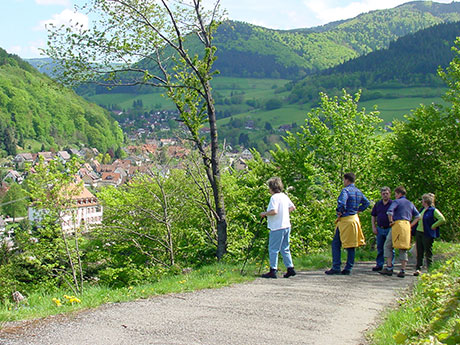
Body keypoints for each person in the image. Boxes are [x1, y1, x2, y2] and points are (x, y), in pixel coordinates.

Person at [325, 172, 370, 275]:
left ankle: (336, 266)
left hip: (345, 220)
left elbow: (342, 203)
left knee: (336, 243)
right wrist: (358, 210)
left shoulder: (345, 191)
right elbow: (366, 203)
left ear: (347, 180)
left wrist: (340, 211)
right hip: (354, 219)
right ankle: (348, 267)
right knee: (351, 245)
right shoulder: (358, 191)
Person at [260, 177, 296, 279]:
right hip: (286, 225)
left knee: (273, 249)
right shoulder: (284, 196)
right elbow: (292, 207)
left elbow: (274, 211)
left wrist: (265, 214)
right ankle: (290, 268)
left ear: (271, 187)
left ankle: (273, 270)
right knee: (285, 248)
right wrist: (284, 213)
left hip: (277, 226)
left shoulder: (274, 198)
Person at [380, 186, 420, 278]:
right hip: (406, 225)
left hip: (397, 225)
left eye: (396, 194)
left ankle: (389, 267)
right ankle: (403, 270)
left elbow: (389, 212)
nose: (395, 196)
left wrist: (390, 221)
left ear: (399, 193)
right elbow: (418, 216)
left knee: (388, 245)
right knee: (403, 247)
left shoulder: (396, 202)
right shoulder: (410, 203)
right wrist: (410, 225)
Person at [412, 193, 446, 276]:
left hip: (427, 233)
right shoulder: (421, 209)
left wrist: (434, 226)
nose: (422, 202)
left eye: (423, 200)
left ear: (426, 201)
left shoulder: (433, 210)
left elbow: (442, 219)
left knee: (428, 251)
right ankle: (418, 268)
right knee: (419, 251)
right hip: (419, 232)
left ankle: (430, 269)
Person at [370, 187, 394, 271]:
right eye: (383, 194)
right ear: (381, 194)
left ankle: (390, 265)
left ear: (390, 194)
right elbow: (373, 215)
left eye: (387, 193)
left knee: (390, 247)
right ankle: (379, 264)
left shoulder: (393, 204)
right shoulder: (378, 204)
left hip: (389, 228)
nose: (385, 195)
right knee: (380, 247)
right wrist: (373, 226)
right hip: (380, 228)